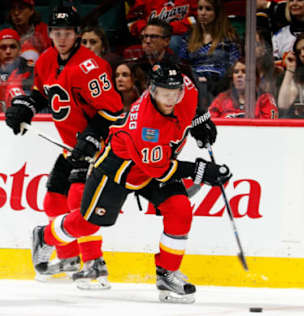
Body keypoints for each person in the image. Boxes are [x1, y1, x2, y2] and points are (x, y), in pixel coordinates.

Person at [30, 62, 231, 304]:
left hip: (156, 163)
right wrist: (202, 171)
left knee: (180, 210)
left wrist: (200, 120)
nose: (170, 100)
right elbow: (161, 170)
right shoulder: (145, 126)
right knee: (88, 224)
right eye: (164, 94)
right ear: (152, 90)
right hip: (119, 170)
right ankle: (45, 236)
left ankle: (167, 273)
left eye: (175, 94)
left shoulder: (185, 88)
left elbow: (191, 104)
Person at [5, 4, 123, 290]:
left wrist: (93, 136)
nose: (62, 37)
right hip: (71, 145)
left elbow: (113, 110)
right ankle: (69, 259)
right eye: (57, 32)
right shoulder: (46, 60)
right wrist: (25, 108)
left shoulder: (91, 67)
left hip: (101, 147)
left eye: (67, 32)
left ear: (77, 34)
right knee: (54, 200)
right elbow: (43, 94)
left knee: (82, 205)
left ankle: (93, 263)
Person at [178, 0, 240, 110]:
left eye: (208, 9)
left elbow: (234, 64)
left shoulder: (229, 37)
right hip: (195, 84)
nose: (203, 13)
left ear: (217, 12)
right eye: (200, 8)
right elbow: (182, 64)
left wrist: (215, 80)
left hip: (220, 84)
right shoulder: (189, 36)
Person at [209, 58, 279, 119]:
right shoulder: (222, 98)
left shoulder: (265, 99)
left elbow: (269, 127)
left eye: (244, 71)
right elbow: (211, 122)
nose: (239, 75)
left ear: (254, 77)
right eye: (236, 72)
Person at [0, 28, 33, 108]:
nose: (8, 51)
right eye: (3, 47)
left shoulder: (31, 73)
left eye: (13, 47)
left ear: (20, 50)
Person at [9, 0, 51, 65]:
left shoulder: (44, 30)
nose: (16, 13)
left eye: (21, 8)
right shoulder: (5, 33)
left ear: (31, 11)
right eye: (13, 8)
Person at [277, 33, 304, 117]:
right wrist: (290, 69)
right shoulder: (297, 78)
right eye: (299, 52)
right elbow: (283, 105)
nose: (302, 54)